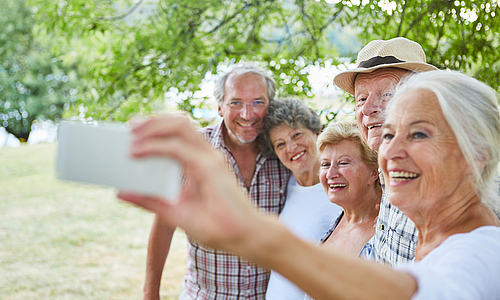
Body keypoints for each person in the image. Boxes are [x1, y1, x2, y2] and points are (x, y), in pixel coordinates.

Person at [119, 70, 500, 299]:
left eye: (419, 134)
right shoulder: (419, 231)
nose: (391, 150)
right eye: (388, 133)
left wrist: (254, 235)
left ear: (476, 155)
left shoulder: (484, 249)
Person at [142, 64, 291, 300]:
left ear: (270, 105)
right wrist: (150, 294)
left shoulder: (285, 151)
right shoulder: (193, 150)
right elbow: (164, 223)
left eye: (258, 102)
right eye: (236, 103)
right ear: (220, 107)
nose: (247, 114)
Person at [333, 37, 438, 266]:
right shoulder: (387, 170)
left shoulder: (448, 180)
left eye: (387, 94)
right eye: (361, 98)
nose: (368, 109)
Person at [260, 98, 342, 300]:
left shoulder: (339, 191)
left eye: (296, 134)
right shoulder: (286, 185)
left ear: (317, 133)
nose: (291, 148)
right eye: (280, 144)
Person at [316, 121, 380, 260]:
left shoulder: (387, 230)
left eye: (343, 163)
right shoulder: (339, 218)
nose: (330, 174)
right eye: (325, 164)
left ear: (374, 173)